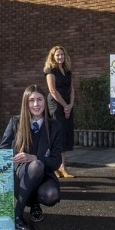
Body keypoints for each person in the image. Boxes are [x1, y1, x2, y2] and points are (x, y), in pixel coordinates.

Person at [0, 85, 62, 230]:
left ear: (45, 102)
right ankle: (18, 214)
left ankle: (33, 203)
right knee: (36, 165)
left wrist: (33, 157)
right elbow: (3, 151)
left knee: (51, 195)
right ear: (26, 103)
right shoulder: (15, 122)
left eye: (40, 99)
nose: (36, 104)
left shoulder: (55, 126)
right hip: (19, 175)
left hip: (43, 173)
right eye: (31, 100)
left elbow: (56, 161)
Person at [44, 45, 75, 178]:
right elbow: (52, 90)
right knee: (57, 134)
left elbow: (72, 89)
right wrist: (64, 106)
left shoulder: (67, 71)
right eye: (57, 55)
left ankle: (62, 166)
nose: (60, 57)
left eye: (62, 54)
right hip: (55, 105)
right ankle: (55, 166)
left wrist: (70, 105)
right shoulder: (50, 70)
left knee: (66, 135)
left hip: (67, 104)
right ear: (53, 57)